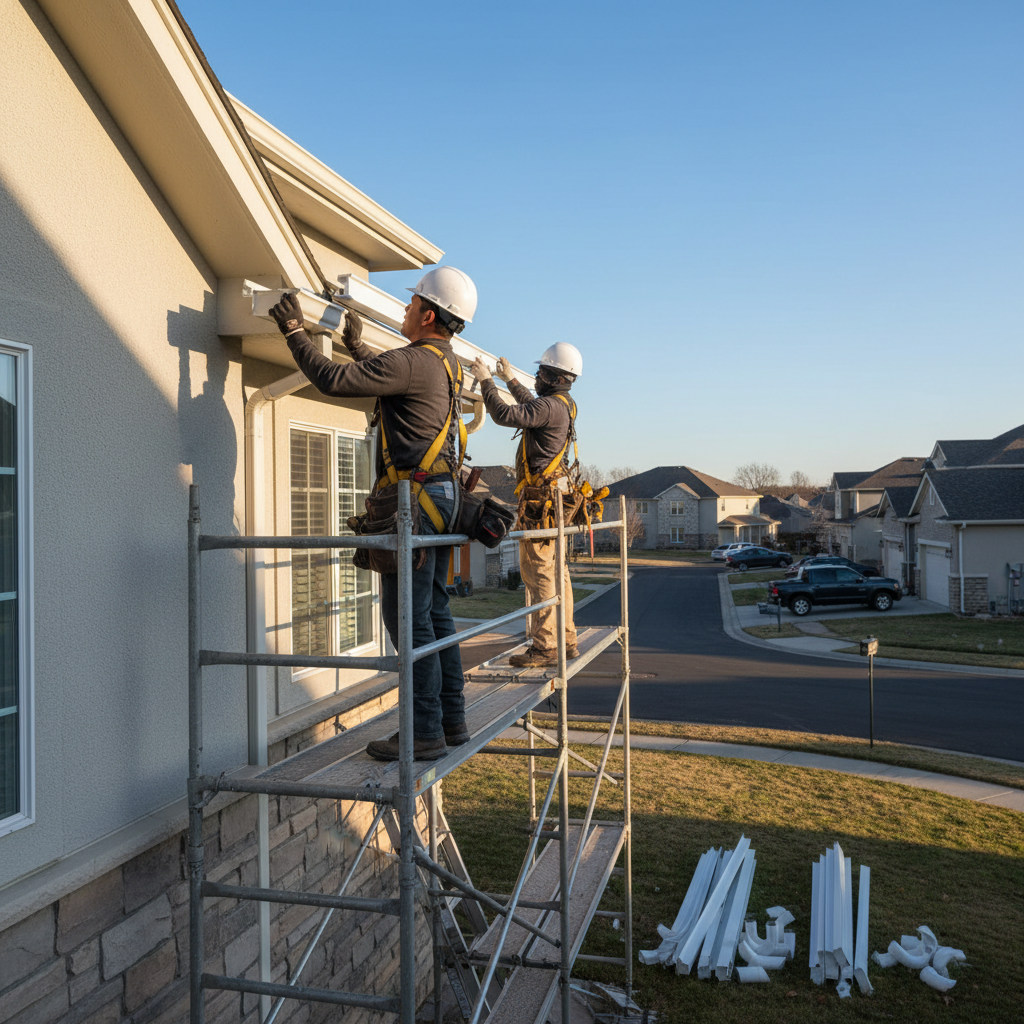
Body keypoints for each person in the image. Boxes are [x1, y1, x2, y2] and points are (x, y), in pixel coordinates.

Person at [269, 267, 478, 761]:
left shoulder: (414, 361)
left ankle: (423, 731)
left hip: (417, 505)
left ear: (428, 314)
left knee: (408, 620)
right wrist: (359, 347)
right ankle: (452, 720)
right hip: (444, 499)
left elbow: (332, 380)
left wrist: (296, 332)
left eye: (410, 305)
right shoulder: (445, 365)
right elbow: (393, 384)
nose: (404, 311)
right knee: (436, 613)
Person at [471, 343, 583, 667]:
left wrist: (485, 381)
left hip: (540, 505)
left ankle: (546, 646)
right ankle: (566, 639)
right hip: (554, 500)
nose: (536, 376)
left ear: (554, 376)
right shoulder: (563, 404)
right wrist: (509, 380)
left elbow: (505, 414)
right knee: (557, 572)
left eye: (541, 371)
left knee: (539, 574)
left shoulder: (551, 407)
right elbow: (534, 408)